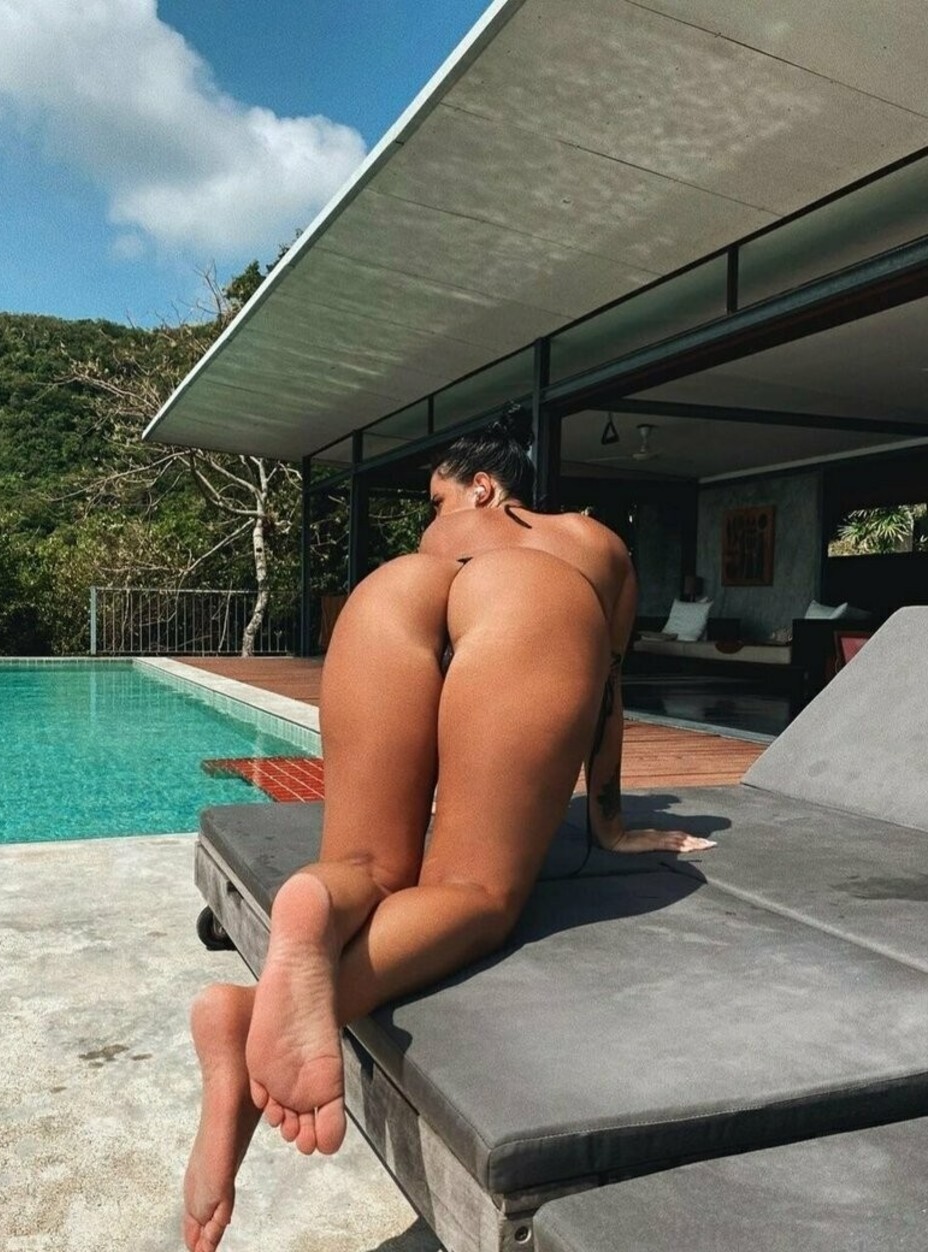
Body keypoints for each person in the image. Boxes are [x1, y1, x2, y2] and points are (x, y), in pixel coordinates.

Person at [183, 412, 715, 1251]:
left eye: (436, 497)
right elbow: (606, 692)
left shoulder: (428, 549)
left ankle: (311, 909)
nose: (434, 513)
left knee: (366, 861)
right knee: (472, 891)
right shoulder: (590, 541)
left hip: (389, 598)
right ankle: (254, 1016)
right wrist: (608, 822)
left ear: (482, 487)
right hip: (531, 606)